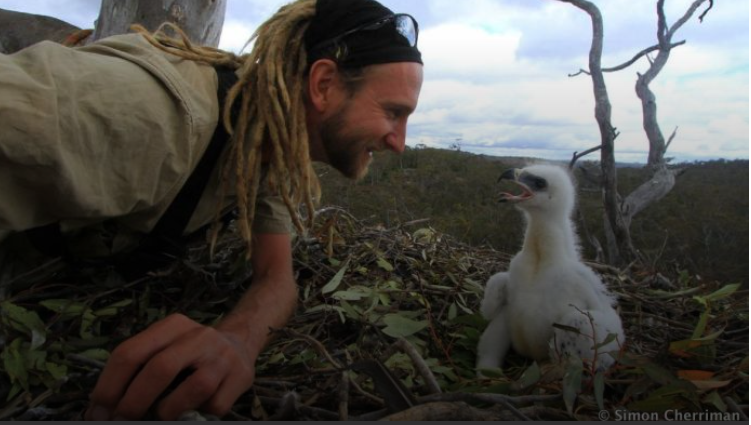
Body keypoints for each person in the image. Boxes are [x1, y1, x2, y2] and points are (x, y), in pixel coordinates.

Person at [0, 0, 423, 420]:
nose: (399, 142)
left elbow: (277, 278)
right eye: (392, 113)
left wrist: (238, 340)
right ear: (324, 84)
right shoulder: (159, 117)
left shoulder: (267, 141)